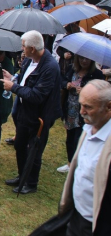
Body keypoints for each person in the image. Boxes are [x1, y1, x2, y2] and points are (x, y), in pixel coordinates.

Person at [2, 30, 62, 194]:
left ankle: (31, 183)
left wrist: (13, 87)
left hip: (39, 116)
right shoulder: (30, 61)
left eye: (24, 46)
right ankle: (22, 176)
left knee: (33, 150)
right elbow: (25, 80)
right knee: (20, 146)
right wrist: (13, 79)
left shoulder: (50, 67)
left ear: (33, 48)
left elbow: (37, 95)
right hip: (24, 112)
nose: (22, 49)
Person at [56, 79, 111, 236]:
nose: (81, 111)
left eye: (88, 107)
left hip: (96, 226)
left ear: (109, 106)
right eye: (81, 105)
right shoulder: (88, 127)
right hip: (75, 215)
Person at [57, 55, 104, 173]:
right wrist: (66, 84)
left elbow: (101, 94)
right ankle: (70, 163)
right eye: (81, 58)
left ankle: (78, 166)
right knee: (70, 139)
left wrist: (86, 92)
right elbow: (61, 80)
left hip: (85, 113)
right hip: (70, 110)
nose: (84, 61)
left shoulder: (97, 74)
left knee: (79, 140)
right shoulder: (72, 69)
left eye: (87, 58)